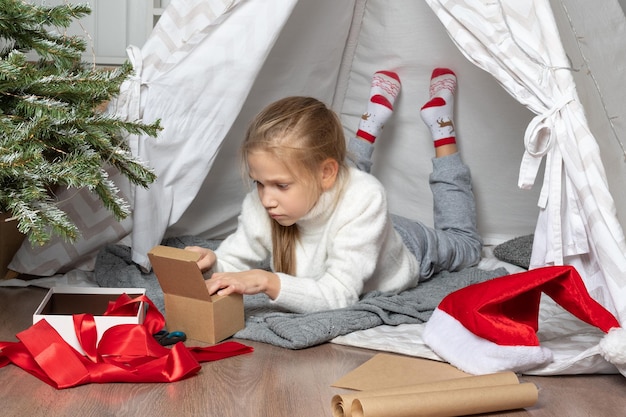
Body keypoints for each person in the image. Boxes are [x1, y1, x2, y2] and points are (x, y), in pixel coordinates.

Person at [185, 68, 482, 314]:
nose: (266, 198)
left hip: (406, 245)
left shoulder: (364, 198)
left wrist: (267, 281)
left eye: (281, 185)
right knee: (338, 185)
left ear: (326, 173)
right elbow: (232, 266)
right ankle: (371, 120)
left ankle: (442, 128)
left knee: (466, 246)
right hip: (343, 217)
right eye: (259, 182)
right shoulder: (265, 202)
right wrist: (213, 263)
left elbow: (339, 295)